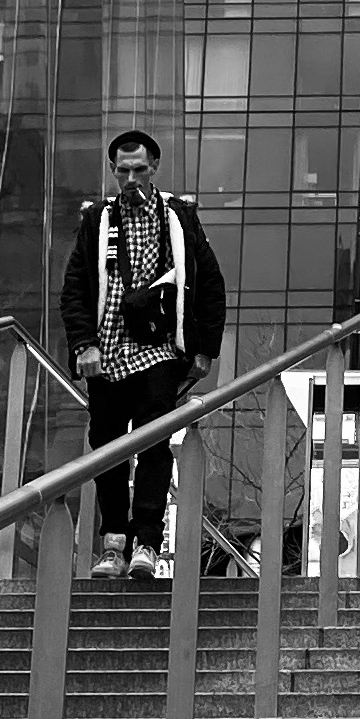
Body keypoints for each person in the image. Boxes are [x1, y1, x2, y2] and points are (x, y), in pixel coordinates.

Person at [60, 130, 226, 580]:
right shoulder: (97, 219)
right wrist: (84, 345)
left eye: (139, 169)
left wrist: (205, 349)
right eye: (122, 170)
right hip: (106, 353)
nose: (130, 178)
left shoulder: (179, 217)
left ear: (154, 167)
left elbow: (208, 281)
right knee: (107, 446)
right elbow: (74, 288)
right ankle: (113, 542)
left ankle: (147, 542)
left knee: (154, 439)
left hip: (159, 351)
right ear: (113, 171)